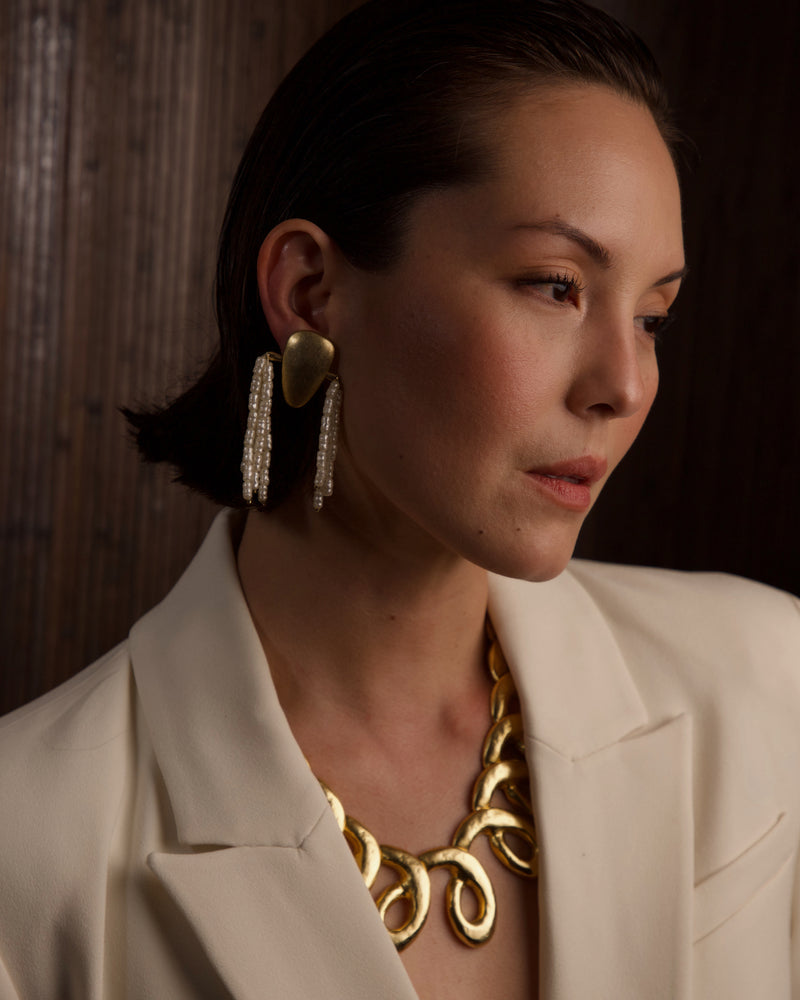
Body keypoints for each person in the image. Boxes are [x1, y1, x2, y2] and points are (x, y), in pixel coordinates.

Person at [1, 0, 798, 997]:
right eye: (555, 285)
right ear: (309, 291)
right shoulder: (30, 843)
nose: (624, 385)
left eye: (651, 317)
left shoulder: (767, 683)